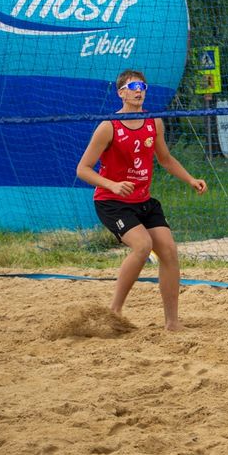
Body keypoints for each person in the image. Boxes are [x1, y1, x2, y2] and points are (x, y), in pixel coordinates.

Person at [75, 69, 207, 331]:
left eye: (143, 87)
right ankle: (114, 311)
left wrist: (190, 179)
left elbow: (166, 160)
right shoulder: (108, 127)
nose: (139, 90)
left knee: (168, 250)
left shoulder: (154, 122)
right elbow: (83, 169)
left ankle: (172, 322)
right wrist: (113, 184)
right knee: (143, 245)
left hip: (142, 201)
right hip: (111, 201)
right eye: (134, 86)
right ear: (121, 92)